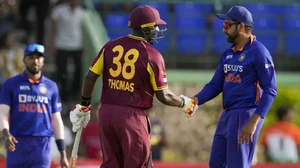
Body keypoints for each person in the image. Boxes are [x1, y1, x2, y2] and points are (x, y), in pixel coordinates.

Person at [69, 5, 198, 168]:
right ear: (145, 29)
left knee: (111, 165)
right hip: (132, 117)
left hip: (106, 113)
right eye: (155, 26)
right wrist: (184, 103)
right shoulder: (152, 55)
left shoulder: (110, 46)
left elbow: (90, 77)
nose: (157, 29)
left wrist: (85, 106)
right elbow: (163, 96)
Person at [185, 6, 277, 168]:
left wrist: (254, 122)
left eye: (227, 25)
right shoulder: (228, 54)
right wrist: (195, 100)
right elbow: (215, 85)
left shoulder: (258, 52)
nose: (224, 29)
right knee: (216, 164)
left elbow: (271, 90)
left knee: (237, 165)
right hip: (227, 114)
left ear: (241, 26)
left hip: (246, 113)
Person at [0, 43, 69, 168]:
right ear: (24, 60)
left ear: (43, 60)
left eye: (38, 57)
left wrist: (62, 152)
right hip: (17, 143)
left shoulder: (51, 86)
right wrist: (6, 134)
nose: (35, 61)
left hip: (42, 146)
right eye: (31, 57)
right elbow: (2, 113)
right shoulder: (11, 84)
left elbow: (57, 120)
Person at [50, 0, 84, 102]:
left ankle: (74, 93)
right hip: (61, 44)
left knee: (78, 71)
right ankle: (62, 95)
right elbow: (53, 29)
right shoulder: (58, 10)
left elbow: (83, 30)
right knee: (61, 72)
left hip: (77, 45)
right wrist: (52, 44)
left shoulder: (82, 12)